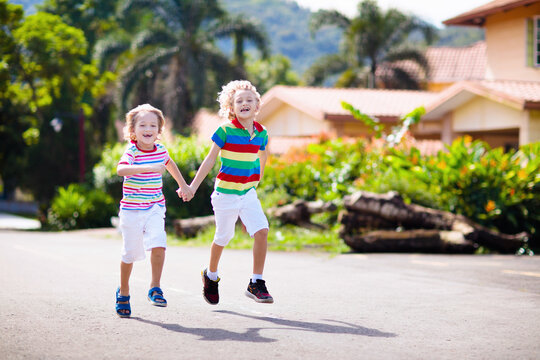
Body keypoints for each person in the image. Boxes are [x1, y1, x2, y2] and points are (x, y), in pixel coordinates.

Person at [185, 80, 273, 305]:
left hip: (247, 193)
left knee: (262, 231)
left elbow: (262, 156)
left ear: (257, 106)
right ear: (231, 108)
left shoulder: (262, 133)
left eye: (249, 100)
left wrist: (257, 180)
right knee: (223, 237)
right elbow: (210, 159)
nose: (244, 103)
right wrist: (193, 186)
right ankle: (211, 275)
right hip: (225, 193)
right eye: (239, 101)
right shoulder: (224, 130)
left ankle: (256, 282)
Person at [115, 103, 192, 318]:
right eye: (142, 125)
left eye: (153, 125)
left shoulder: (160, 150)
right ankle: (124, 291)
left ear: (159, 131)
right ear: (133, 131)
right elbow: (121, 169)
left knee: (159, 243)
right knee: (129, 254)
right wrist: (147, 168)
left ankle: (155, 287)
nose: (148, 129)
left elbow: (170, 164)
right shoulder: (131, 151)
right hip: (131, 210)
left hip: (155, 207)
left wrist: (183, 185)